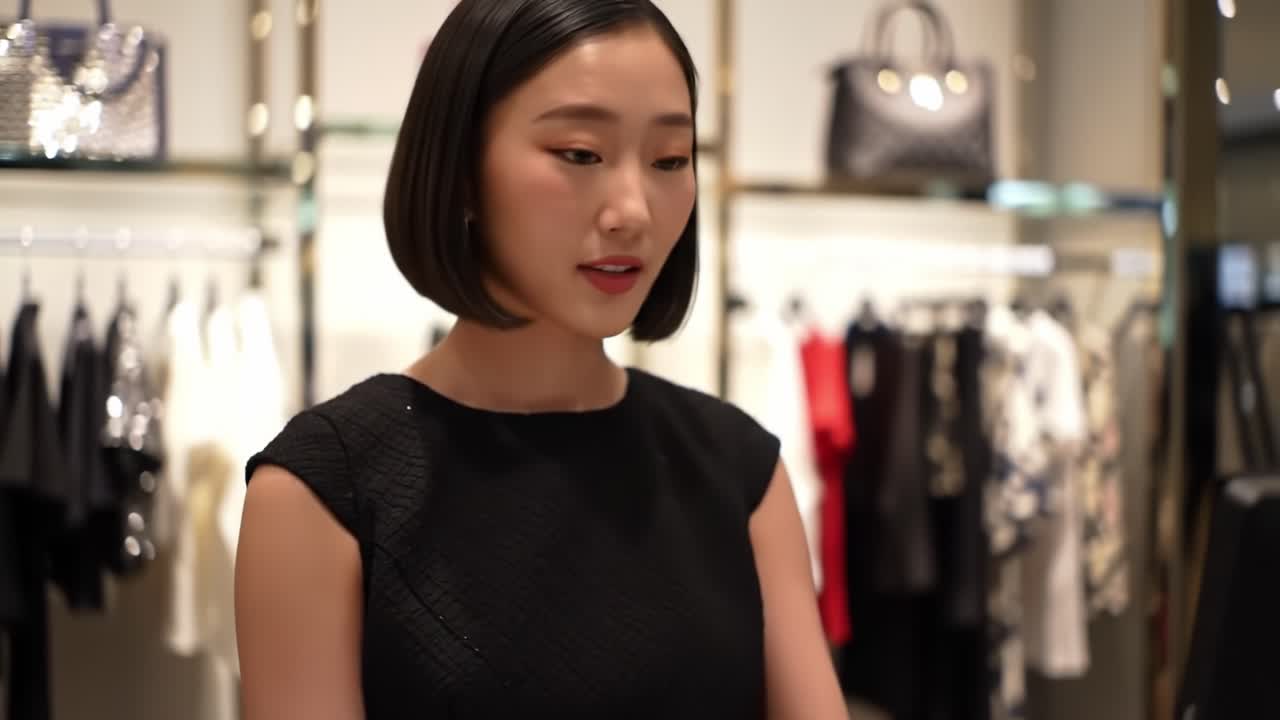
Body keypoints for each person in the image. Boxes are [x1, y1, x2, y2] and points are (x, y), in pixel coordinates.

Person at [233, 0, 847, 717]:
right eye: (580, 154)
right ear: (461, 170)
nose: (633, 211)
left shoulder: (740, 472)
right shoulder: (324, 490)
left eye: (669, 160)